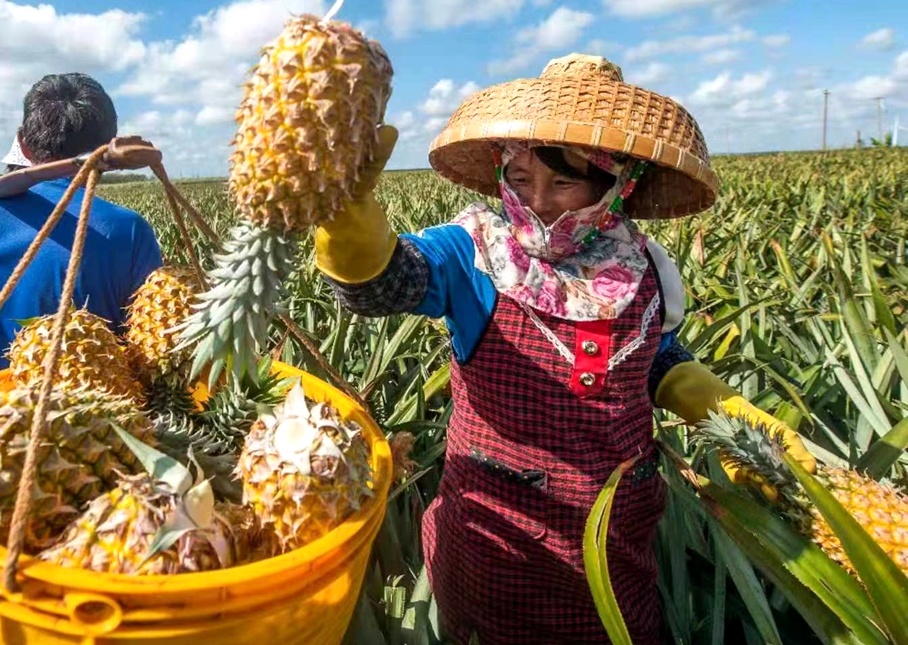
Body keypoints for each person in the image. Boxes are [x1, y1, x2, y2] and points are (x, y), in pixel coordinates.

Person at [312, 54, 817, 644]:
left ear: (617, 183)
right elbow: (383, 284)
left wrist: (734, 419)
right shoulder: (475, 252)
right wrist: (346, 211)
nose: (539, 202)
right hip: (498, 541)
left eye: (564, 182)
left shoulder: (644, 266)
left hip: (614, 544)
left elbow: (654, 360)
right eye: (521, 180)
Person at [0, 73, 163, 393]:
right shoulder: (128, 230)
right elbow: (150, 349)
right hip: (86, 432)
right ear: (108, 148)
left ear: (22, 144)